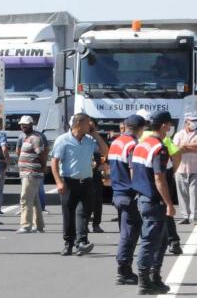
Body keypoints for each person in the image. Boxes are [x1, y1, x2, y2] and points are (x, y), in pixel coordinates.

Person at [50, 113, 108, 256]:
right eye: (88, 123)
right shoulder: (63, 140)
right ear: (78, 124)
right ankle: (68, 243)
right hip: (69, 182)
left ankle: (81, 242)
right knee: (68, 213)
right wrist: (58, 182)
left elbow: (105, 151)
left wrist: (95, 134)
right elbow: (54, 162)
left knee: (83, 212)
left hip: (87, 182)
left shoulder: (89, 140)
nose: (90, 126)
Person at [132, 111, 177, 294]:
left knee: (162, 239)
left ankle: (154, 276)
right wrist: (169, 203)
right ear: (165, 126)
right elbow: (160, 178)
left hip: (142, 197)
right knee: (150, 241)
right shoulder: (159, 148)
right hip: (153, 199)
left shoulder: (141, 145)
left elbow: (133, 172)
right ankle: (144, 280)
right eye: (169, 125)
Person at [108, 115, 145, 285]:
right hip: (128, 194)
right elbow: (133, 170)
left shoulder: (116, 142)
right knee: (129, 233)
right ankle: (123, 270)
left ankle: (124, 267)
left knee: (126, 231)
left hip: (117, 192)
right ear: (140, 128)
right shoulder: (133, 145)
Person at [15, 115, 48, 234]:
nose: (23, 126)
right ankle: (39, 226)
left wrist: (43, 166)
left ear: (31, 125)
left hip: (31, 173)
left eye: (26, 124)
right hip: (27, 172)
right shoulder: (25, 137)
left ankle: (26, 225)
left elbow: (42, 154)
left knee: (25, 198)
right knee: (34, 200)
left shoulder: (35, 138)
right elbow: (18, 151)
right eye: (22, 125)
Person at [172, 114, 197, 223]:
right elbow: (177, 149)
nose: (195, 122)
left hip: (196, 169)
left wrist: (184, 146)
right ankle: (185, 216)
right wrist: (192, 147)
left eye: (196, 120)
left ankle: (194, 217)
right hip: (180, 168)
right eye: (192, 121)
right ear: (186, 122)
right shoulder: (178, 134)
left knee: (195, 194)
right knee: (182, 194)